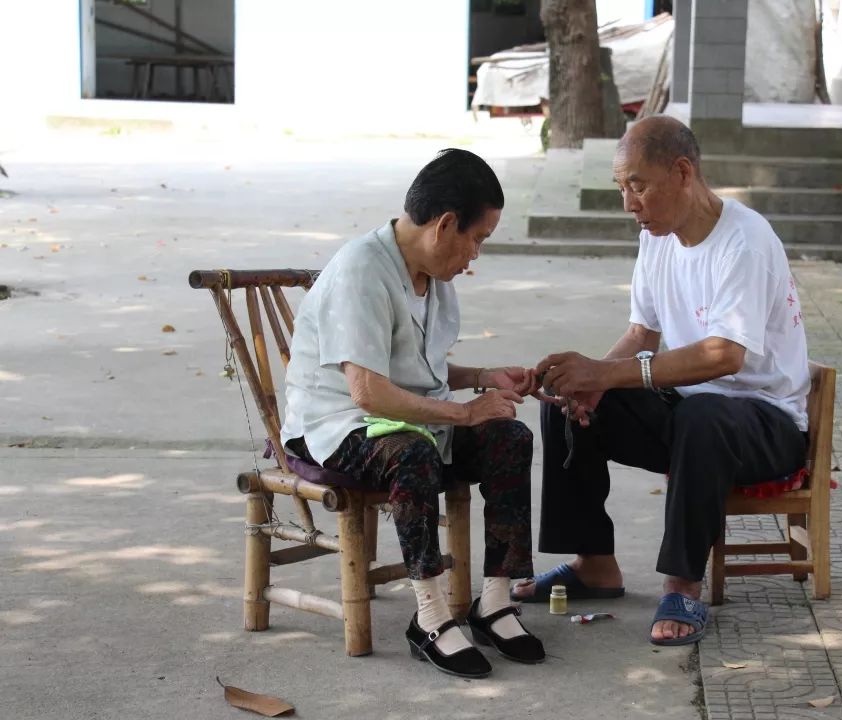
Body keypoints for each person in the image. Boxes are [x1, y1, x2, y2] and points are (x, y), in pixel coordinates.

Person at [512, 117, 811, 647]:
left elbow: (725, 355)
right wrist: (591, 382)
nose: (629, 203)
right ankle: (594, 565)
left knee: (703, 414)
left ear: (682, 172)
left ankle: (682, 584)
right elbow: (641, 333)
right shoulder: (657, 237)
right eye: (621, 188)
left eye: (638, 185)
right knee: (568, 402)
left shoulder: (744, 240)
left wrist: (609, 372)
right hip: (693, 413)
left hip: (766, 424)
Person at [280, 149, 544, 679]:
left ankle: (493, 601)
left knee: (509, 437)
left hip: (408, 420)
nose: (475, 254)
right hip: (335, 427)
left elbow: (421, 367)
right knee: (416, 455)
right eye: (477, 238)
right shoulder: (361, 269)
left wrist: (484, 377)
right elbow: (369, 393)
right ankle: (430, 616)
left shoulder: (432, 274)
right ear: (445, 224)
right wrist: (464, 414)